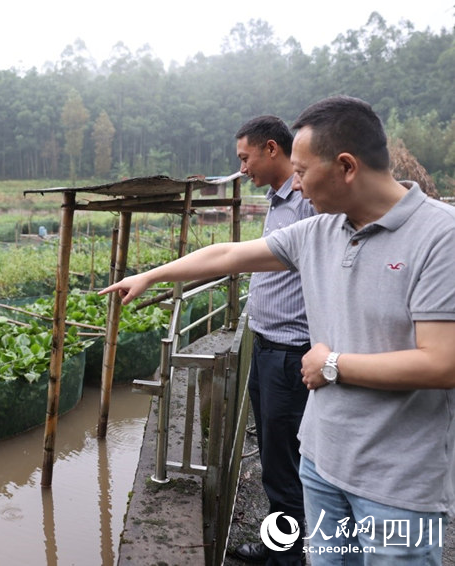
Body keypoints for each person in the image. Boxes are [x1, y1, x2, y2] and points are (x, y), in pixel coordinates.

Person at [100, 95, 455, 565]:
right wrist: (152, 275)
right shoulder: (320, 231)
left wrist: (331, 364)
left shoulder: (440, 236)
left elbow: (442, 362)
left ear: (346, 166)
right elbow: (228, 255)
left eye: (304, 172)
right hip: (323, 462)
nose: (299, 185)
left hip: (396, 482)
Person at [233, 116, 316, 565]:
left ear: (270, 149)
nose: (242, 168)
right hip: (266, 347)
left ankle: (287, 558)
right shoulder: (277, 200)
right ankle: (276, 545)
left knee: (286, 465)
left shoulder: (307, 202)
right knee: (273, 456)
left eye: (245, 158)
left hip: (289, 352)